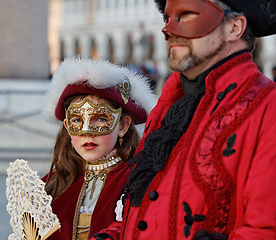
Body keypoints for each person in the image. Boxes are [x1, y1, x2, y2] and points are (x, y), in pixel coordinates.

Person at [91, 0, 276, 239]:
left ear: (234, 28)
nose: (168, 30)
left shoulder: (267, 108)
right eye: (167, 18)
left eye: (187, 14)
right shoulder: (170, 106)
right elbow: (145, 215)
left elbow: (263, 230)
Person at [43, 58, 157, 240]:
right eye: (77, 120)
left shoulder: (140, 180)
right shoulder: (49, 186)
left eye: (101, 119)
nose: (87, 131)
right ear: (66, 125)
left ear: (123, 126)